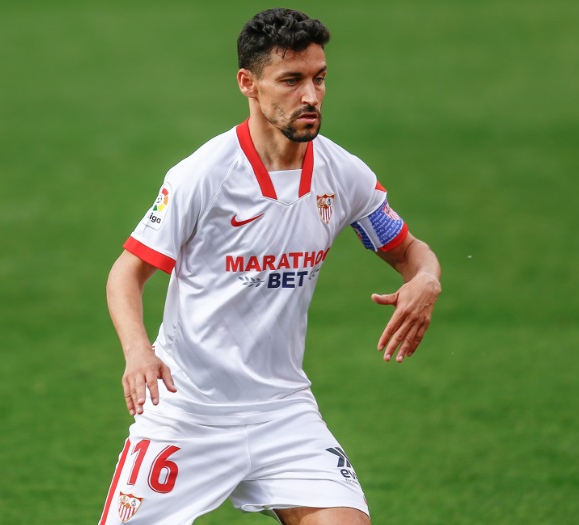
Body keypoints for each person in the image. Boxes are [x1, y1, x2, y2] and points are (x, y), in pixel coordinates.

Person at [99, 8, 441, 525]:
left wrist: (426, 279)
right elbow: (126, 272)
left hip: (282, 414)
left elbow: (410, 250)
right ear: (248, 84)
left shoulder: (343, 174)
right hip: (187, 412)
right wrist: (138, 352)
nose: (311, 96)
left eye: (319, 78)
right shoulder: (205, 175)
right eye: (291, 80)